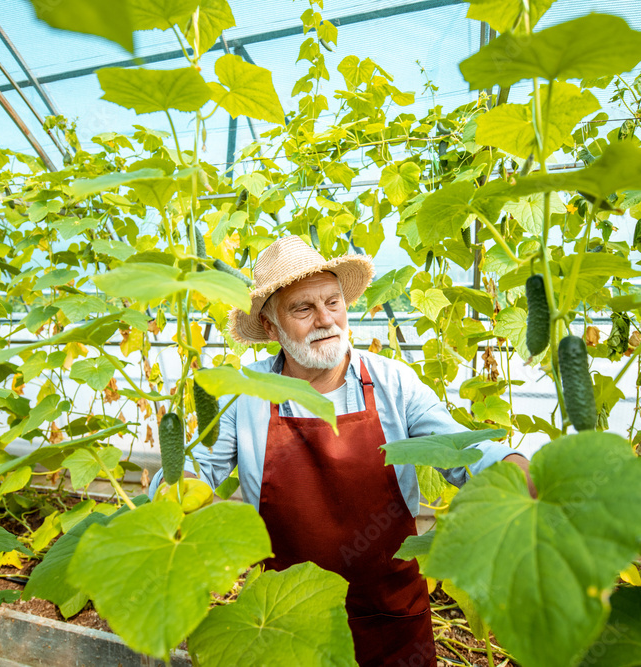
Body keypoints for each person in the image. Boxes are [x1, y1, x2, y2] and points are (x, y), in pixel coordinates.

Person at [151, 235, 534, 667]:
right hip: (290, 624)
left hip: (391, 620)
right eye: (303, 308)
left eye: (333, 302)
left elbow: (458, 448)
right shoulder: (245, 392)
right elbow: (195, 470)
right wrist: (177, 488)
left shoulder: (393, 382)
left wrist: (512, 466)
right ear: (272, 328)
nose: (325, 320)